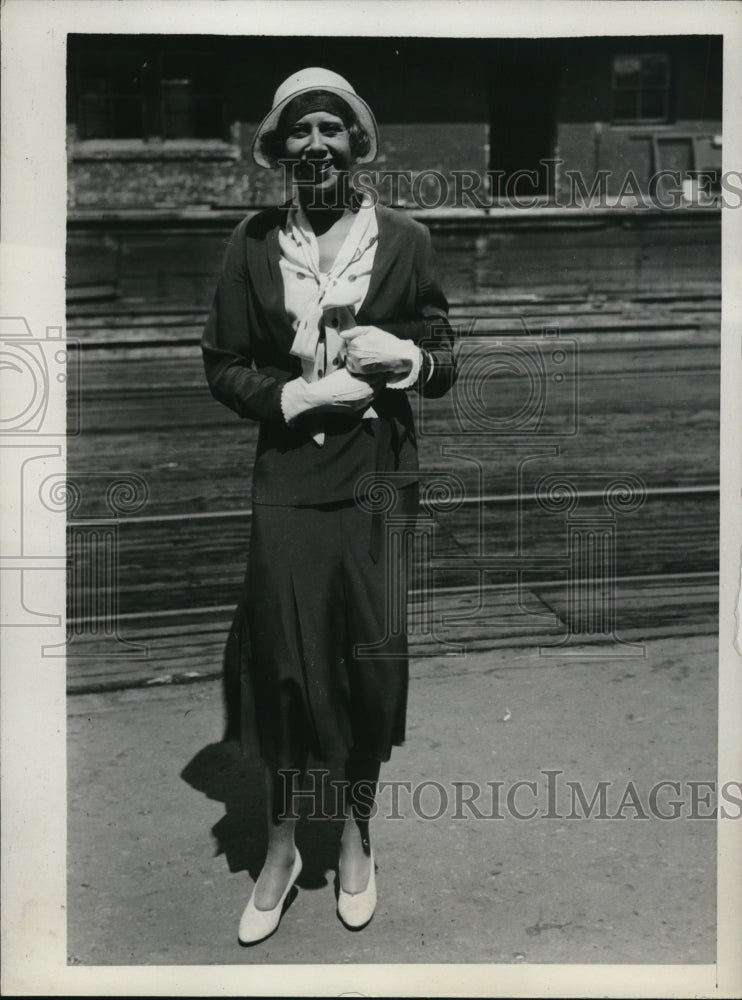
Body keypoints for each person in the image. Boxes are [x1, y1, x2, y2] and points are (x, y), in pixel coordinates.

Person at [201, 67, 456, 945]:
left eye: (332, 130)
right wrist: (298, 399)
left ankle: (352, 836)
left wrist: (410, 359)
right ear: (280, 150)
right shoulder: (250, 243)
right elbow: (223, 365)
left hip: (378, 481)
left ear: (357, 145)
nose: (316, 145)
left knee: (364, 665)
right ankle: (278, 848)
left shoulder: (407, 239)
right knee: (280, 667)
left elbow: (447, 357)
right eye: (300, 131)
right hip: (288, 484)